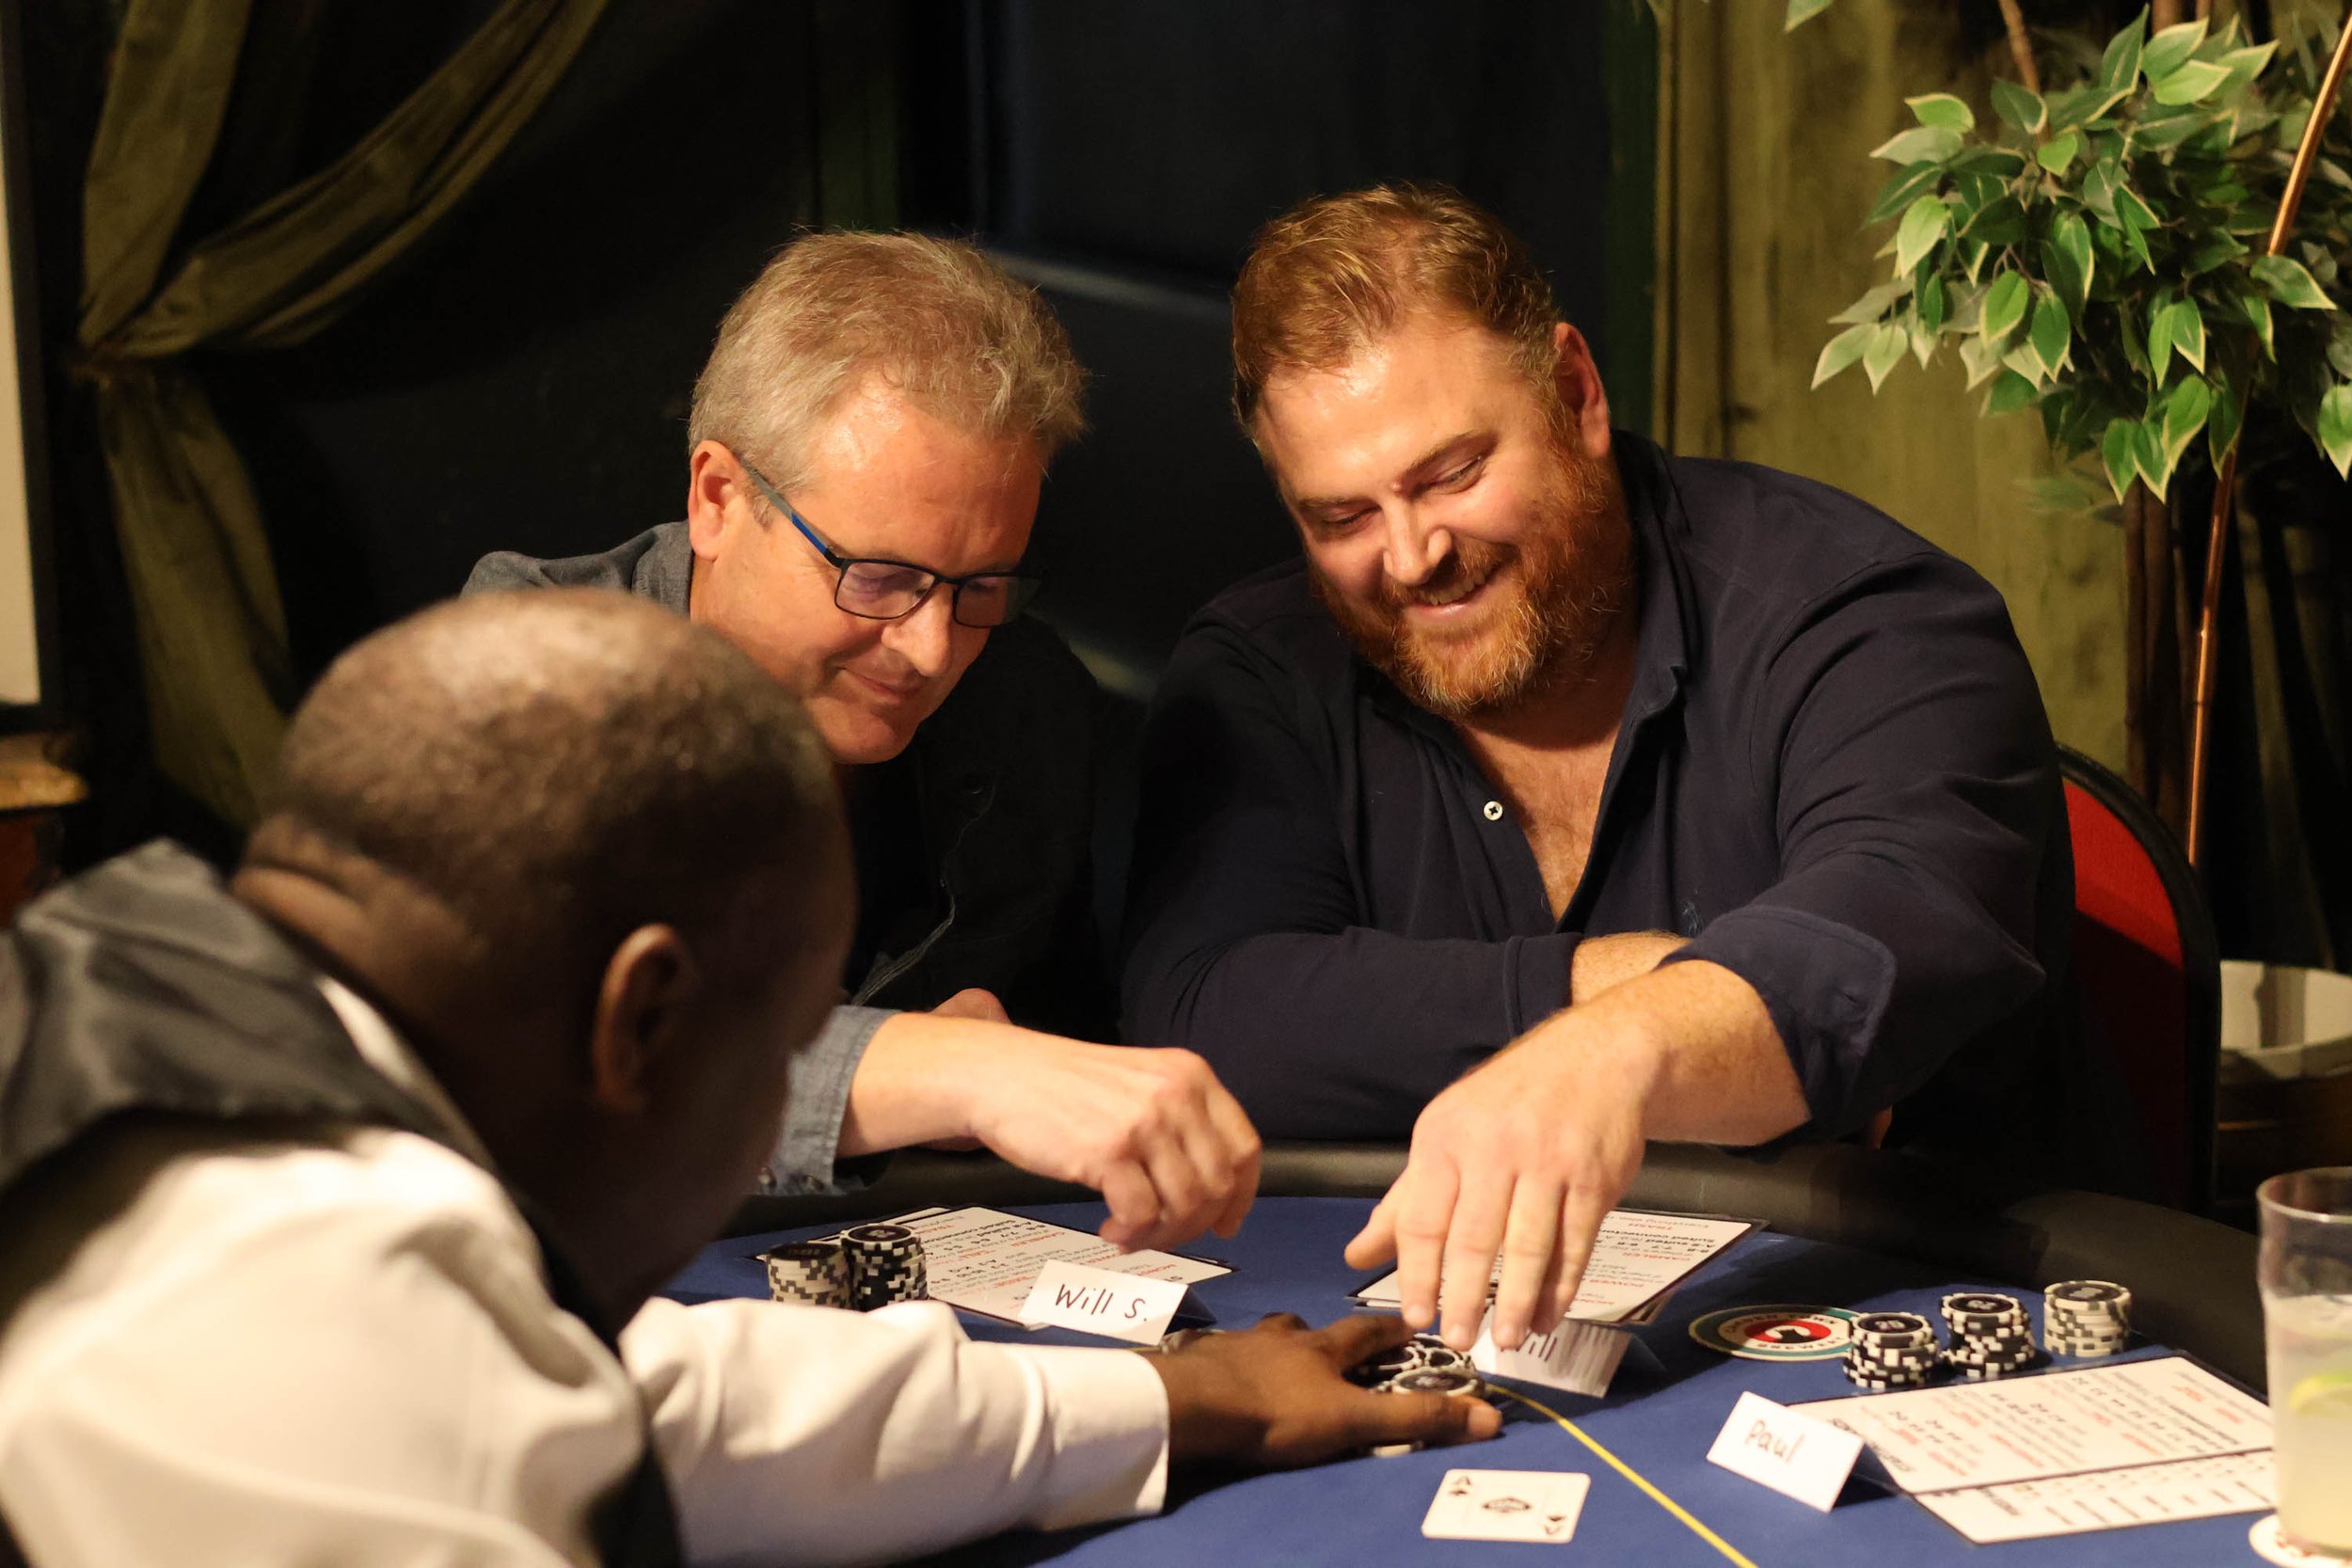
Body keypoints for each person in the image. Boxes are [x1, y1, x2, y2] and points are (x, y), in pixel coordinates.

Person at [0, 591, 1495, 1568]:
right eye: (789, 1043)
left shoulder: (166, 1030)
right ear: (639, 1018)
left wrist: (1178, 1397)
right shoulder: (293, 1324)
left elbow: (648, 1396)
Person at [1121, 183, 2102, 1355]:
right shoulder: (1261, 668)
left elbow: (1886, 927)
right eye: (1341, 515)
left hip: (1932, 1311)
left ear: (1575, 395)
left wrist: (1618, 1055)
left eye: (1450, 472)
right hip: (1466, 1334)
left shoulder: (1867, 614)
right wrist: (1599, 987)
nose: (1411, 554)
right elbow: (1205, 1013)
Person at [469, 231, 1257, 1253]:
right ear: (718, 498)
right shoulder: (520, 673)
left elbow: (1061, 1071)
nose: (932, 649)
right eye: (878, 577)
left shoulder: (1024, 696)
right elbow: (530, 1069)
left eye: (979, 586)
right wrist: (937, 1068)